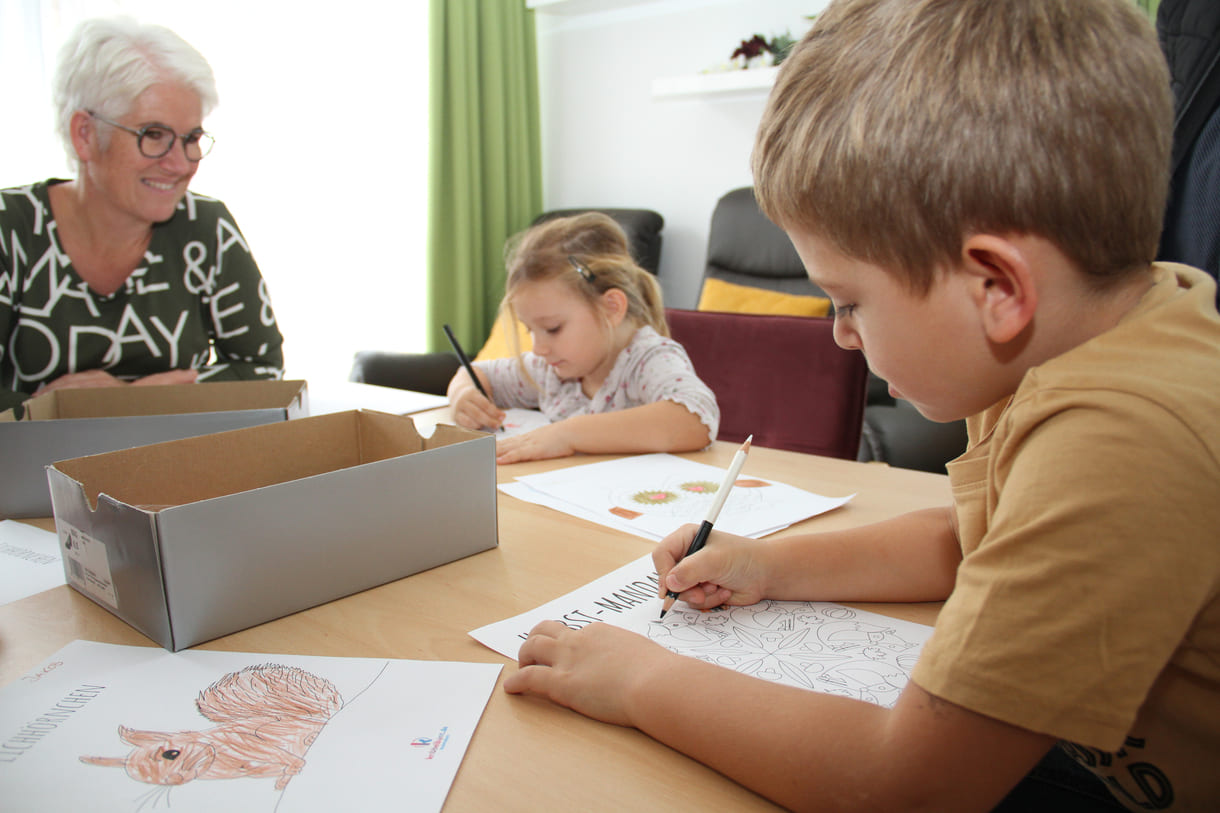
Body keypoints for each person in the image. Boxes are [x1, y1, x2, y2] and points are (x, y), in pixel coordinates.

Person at [503, 1, 1220, 810]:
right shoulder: (1062, 345)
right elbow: (968, 540)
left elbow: (909, 781)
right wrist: (767, 564)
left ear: (997, 288)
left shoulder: (1120, 437)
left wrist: (638, 676)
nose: (840, 337)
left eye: (847, 301)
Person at [0, 17, 284, 414]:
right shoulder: (8, 229)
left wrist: (133, 401)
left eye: (191, 139)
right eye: (153, 135)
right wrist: (53, 409)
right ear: (84, 134)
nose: (180, 164)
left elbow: (264, 372)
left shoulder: (206, 228)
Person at [447, 212, 718, 464]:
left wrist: (569, 434)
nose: (538, 348)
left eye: (553, 328)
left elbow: (695, 420)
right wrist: (463, 395)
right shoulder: (548, 370)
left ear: (611, 308)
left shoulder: (648, 360)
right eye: (530, 330)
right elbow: (477, 373)